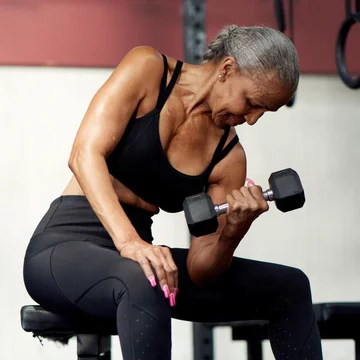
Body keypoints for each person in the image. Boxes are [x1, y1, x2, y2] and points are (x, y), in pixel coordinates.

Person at [23, 25, 323, 359]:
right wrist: (130, 244)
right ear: (226, 69)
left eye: (265, 111)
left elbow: (201, 271)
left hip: (138, 256)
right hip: (67, 244)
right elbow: (83, 155)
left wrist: (233, 231)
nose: (251, 120)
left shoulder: (229, 157)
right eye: (252, 103)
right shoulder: (148, 69)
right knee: (146, 279)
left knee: (290, 287)